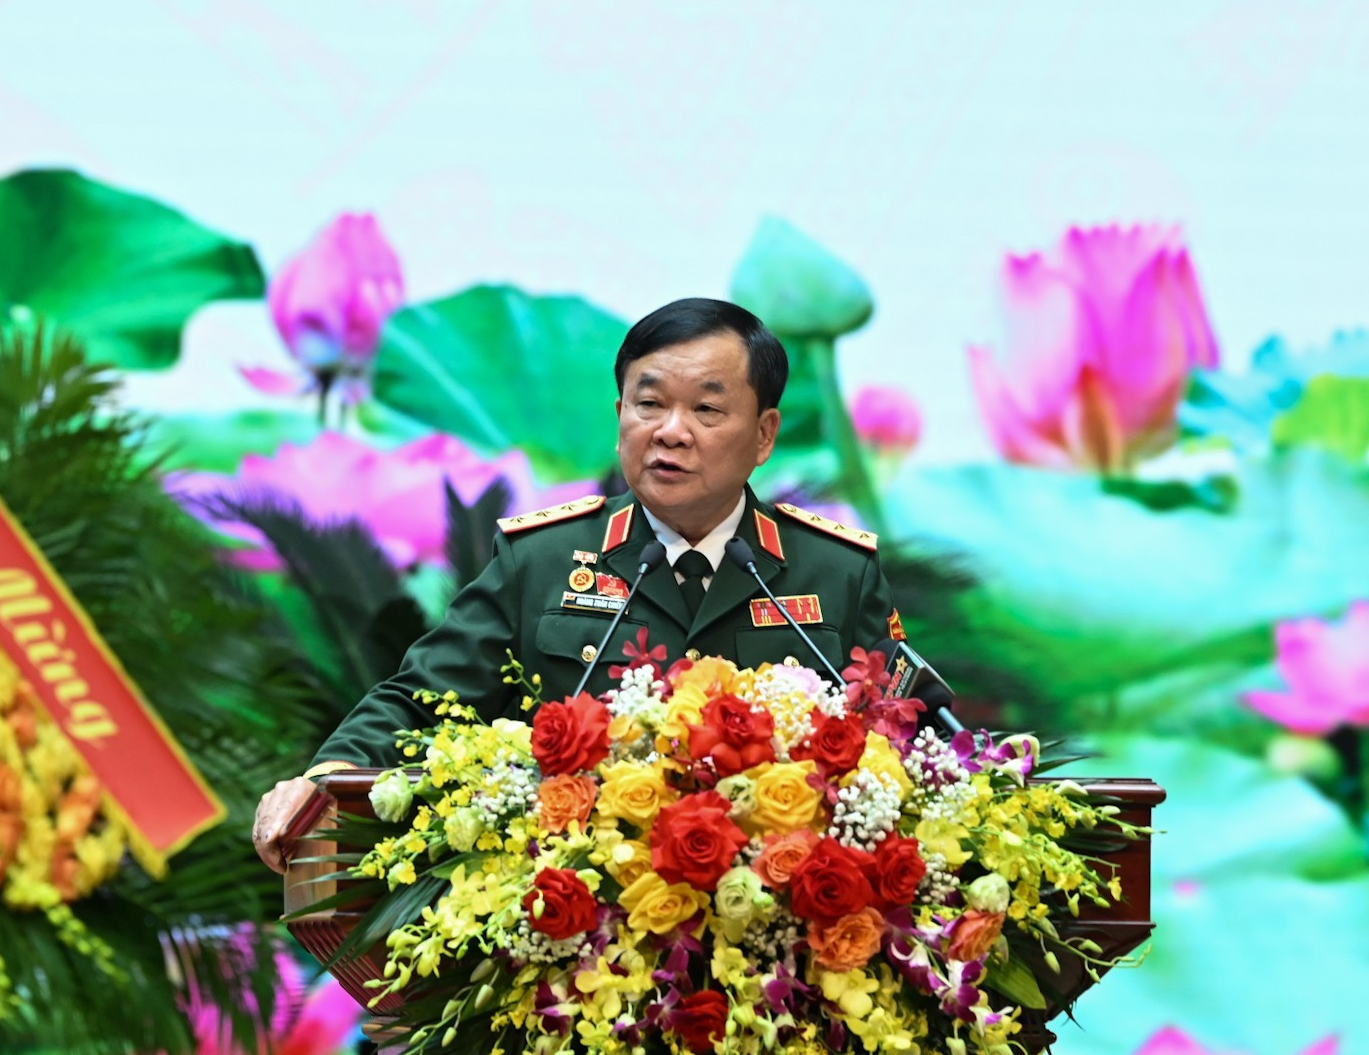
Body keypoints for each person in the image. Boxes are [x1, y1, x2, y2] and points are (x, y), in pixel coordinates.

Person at [252, 298, 907, 871]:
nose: (670, 432)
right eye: (649, 405)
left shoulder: (836, 571)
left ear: (764, 435)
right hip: (574, 931)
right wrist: (325, 778)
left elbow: (912, 729)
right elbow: (422, 698)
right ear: (621, 413)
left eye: (706, 409)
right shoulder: (539, 560)